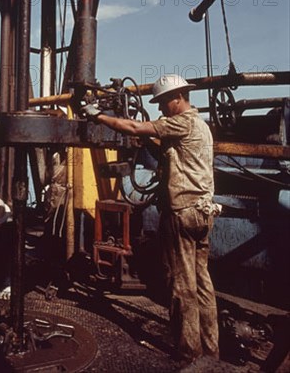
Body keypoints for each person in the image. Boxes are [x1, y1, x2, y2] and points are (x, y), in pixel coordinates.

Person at [81, 74, 220, 365]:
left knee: (182, 286)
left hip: (182, 213)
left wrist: (99, 116)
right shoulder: (202, 127)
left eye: (161, 103)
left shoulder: (181, 122)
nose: (159, 110)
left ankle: (189, 354)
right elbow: (172, 153)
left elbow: (133, 125)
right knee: (203, 284)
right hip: (204, 213)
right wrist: (148, 137)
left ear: (176, 98)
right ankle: (211, 350)